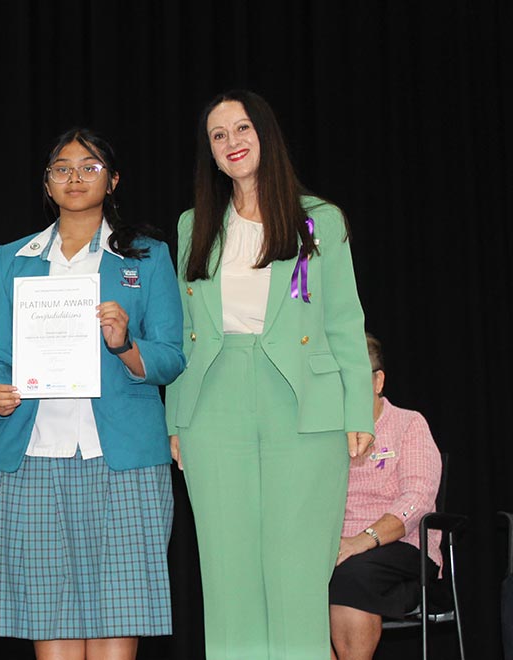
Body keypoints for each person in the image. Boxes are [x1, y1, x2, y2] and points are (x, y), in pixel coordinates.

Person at [166, 89, 374, 660]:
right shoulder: (192, 225)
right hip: (213, 403)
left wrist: (357, 407)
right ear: (209, 151)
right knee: (228, 572)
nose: (232, 143)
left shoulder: (319, 220)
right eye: (218, 135)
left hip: (305, 402)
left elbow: (345, 318)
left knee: (297, 572)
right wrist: (176, 418)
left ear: (265, 135)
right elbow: (187, 329)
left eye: (241, 129)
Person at [0, 128, 184, 660]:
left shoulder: (148, 256)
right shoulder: (12, 258)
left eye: (89, 167)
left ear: (113, 180)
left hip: (124, 455)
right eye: (62, 168)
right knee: (48, 608)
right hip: (32, 453)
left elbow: (171, 355)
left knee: (122, 607)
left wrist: (125, 344)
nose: (75, 177)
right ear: (46, 184)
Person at [329, 333, 442, 660]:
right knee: (286, 579)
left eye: (352, 377)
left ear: (378, 381)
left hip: (401, 546)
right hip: (337, 547)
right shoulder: (325, 437)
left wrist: (361, 540)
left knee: (351, 574)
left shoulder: (409, 424)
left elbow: (418, 499)